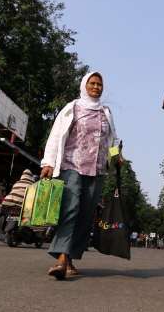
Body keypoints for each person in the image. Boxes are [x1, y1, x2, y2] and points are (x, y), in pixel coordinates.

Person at [40, 71, 119, 280]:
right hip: (71, 165)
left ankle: (70, 257)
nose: (96, 87)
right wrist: (47, 162)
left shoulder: (106, 112)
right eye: (92, 83)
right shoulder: (72, 107)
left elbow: (112, 141)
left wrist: (117, 157)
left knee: (85, 215)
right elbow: (56, 135)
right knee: (70, 209)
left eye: (99, 84)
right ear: (84, 85)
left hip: (97, 170)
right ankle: (61, 259)